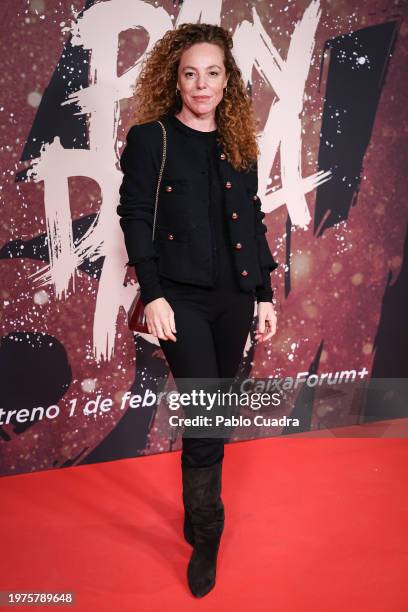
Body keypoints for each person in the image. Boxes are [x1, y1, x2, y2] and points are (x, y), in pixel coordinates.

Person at [117, 23, 279, 598]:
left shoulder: (239, 144)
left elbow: (253, 221)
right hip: (179, 296)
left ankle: (198, 509)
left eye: (212, 73)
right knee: (207, 412)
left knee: (216, 410)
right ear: (176, 78)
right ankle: (208, 535)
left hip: (234, 295)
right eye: (190, 73)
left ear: (227, 79)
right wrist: (153, 292)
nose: (201, 84)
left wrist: (264, 293)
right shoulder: (151, 138)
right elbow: (135, 216)